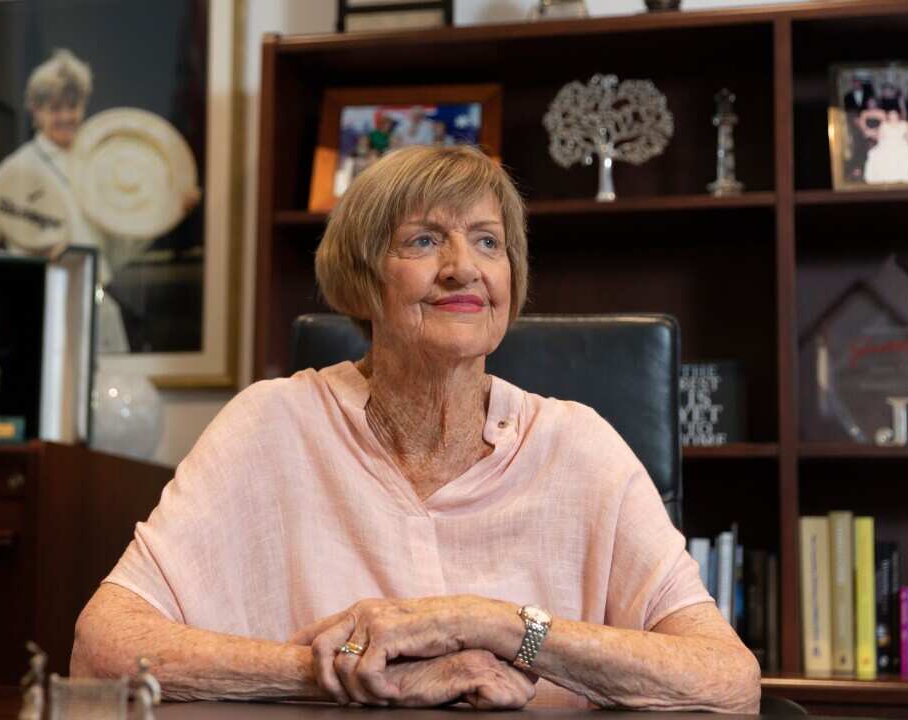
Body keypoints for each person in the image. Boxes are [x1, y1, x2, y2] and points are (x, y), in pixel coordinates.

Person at [71, 145, 761, 713]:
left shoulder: (579, 447)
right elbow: (101, 647)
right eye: (425, 239)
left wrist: (488, 624)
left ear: (511, 281)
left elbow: (725, 680)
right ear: (364, 279)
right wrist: (354, 674)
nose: (464, 266)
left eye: (487, 241)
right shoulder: (270, 426)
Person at [0, 49, 147, 353]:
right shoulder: (15, 171)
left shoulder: (98, 165)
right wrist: (28, 267)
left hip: (97, 300)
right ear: (35, 110)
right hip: (38, 304)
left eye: (72, 106)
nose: (65, 116)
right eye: (54, 108)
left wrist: (158, 215)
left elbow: (117, 246)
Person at [863, 109, 908, 184]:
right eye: (891, 115)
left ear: (898, 115)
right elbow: (880, 137)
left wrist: (905, 139)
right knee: (876, 153)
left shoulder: (904, 124)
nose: (893, 116)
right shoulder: (884, 125)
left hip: (901, 143)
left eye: (894, 114)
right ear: (888, 116)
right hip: (887, 143)